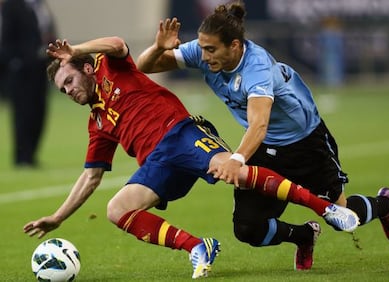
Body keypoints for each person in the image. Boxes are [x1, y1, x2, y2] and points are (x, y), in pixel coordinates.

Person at [22, 36, 359, 278]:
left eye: (69, 81)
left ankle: (326, 208)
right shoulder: (97, 123)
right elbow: (90, 177)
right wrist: (58, 217)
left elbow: (117, 43)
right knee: (117, 209)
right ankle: (198, 247)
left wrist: (78, 48)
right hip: (157, 164)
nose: (68, 91)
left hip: (182, 134)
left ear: (86, 68)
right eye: (62, 90)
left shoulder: (112, 68)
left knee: (237, 173)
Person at [136, 1, 389, 271]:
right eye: (202, 48)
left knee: (342, 217)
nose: (203, 56)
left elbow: (259, 124)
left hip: (305, 144)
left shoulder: (257, 69)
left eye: (211, 49)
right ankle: (304, 236)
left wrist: (237, 159)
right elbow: (144, 67)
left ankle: (383, 204)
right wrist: (159, 46)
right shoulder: (204, 51)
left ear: (235, 46)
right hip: (265, 147)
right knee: (247, 228)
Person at [0, 0, 56, 167]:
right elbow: (7, 35)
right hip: (21, 70)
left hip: (41, 67)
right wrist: (15, 62)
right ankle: (22, 157)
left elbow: (48, 30)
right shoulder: (12, 5)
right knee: (23, 114)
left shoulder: (41, 5)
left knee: (39, 112)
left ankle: (31, 154)